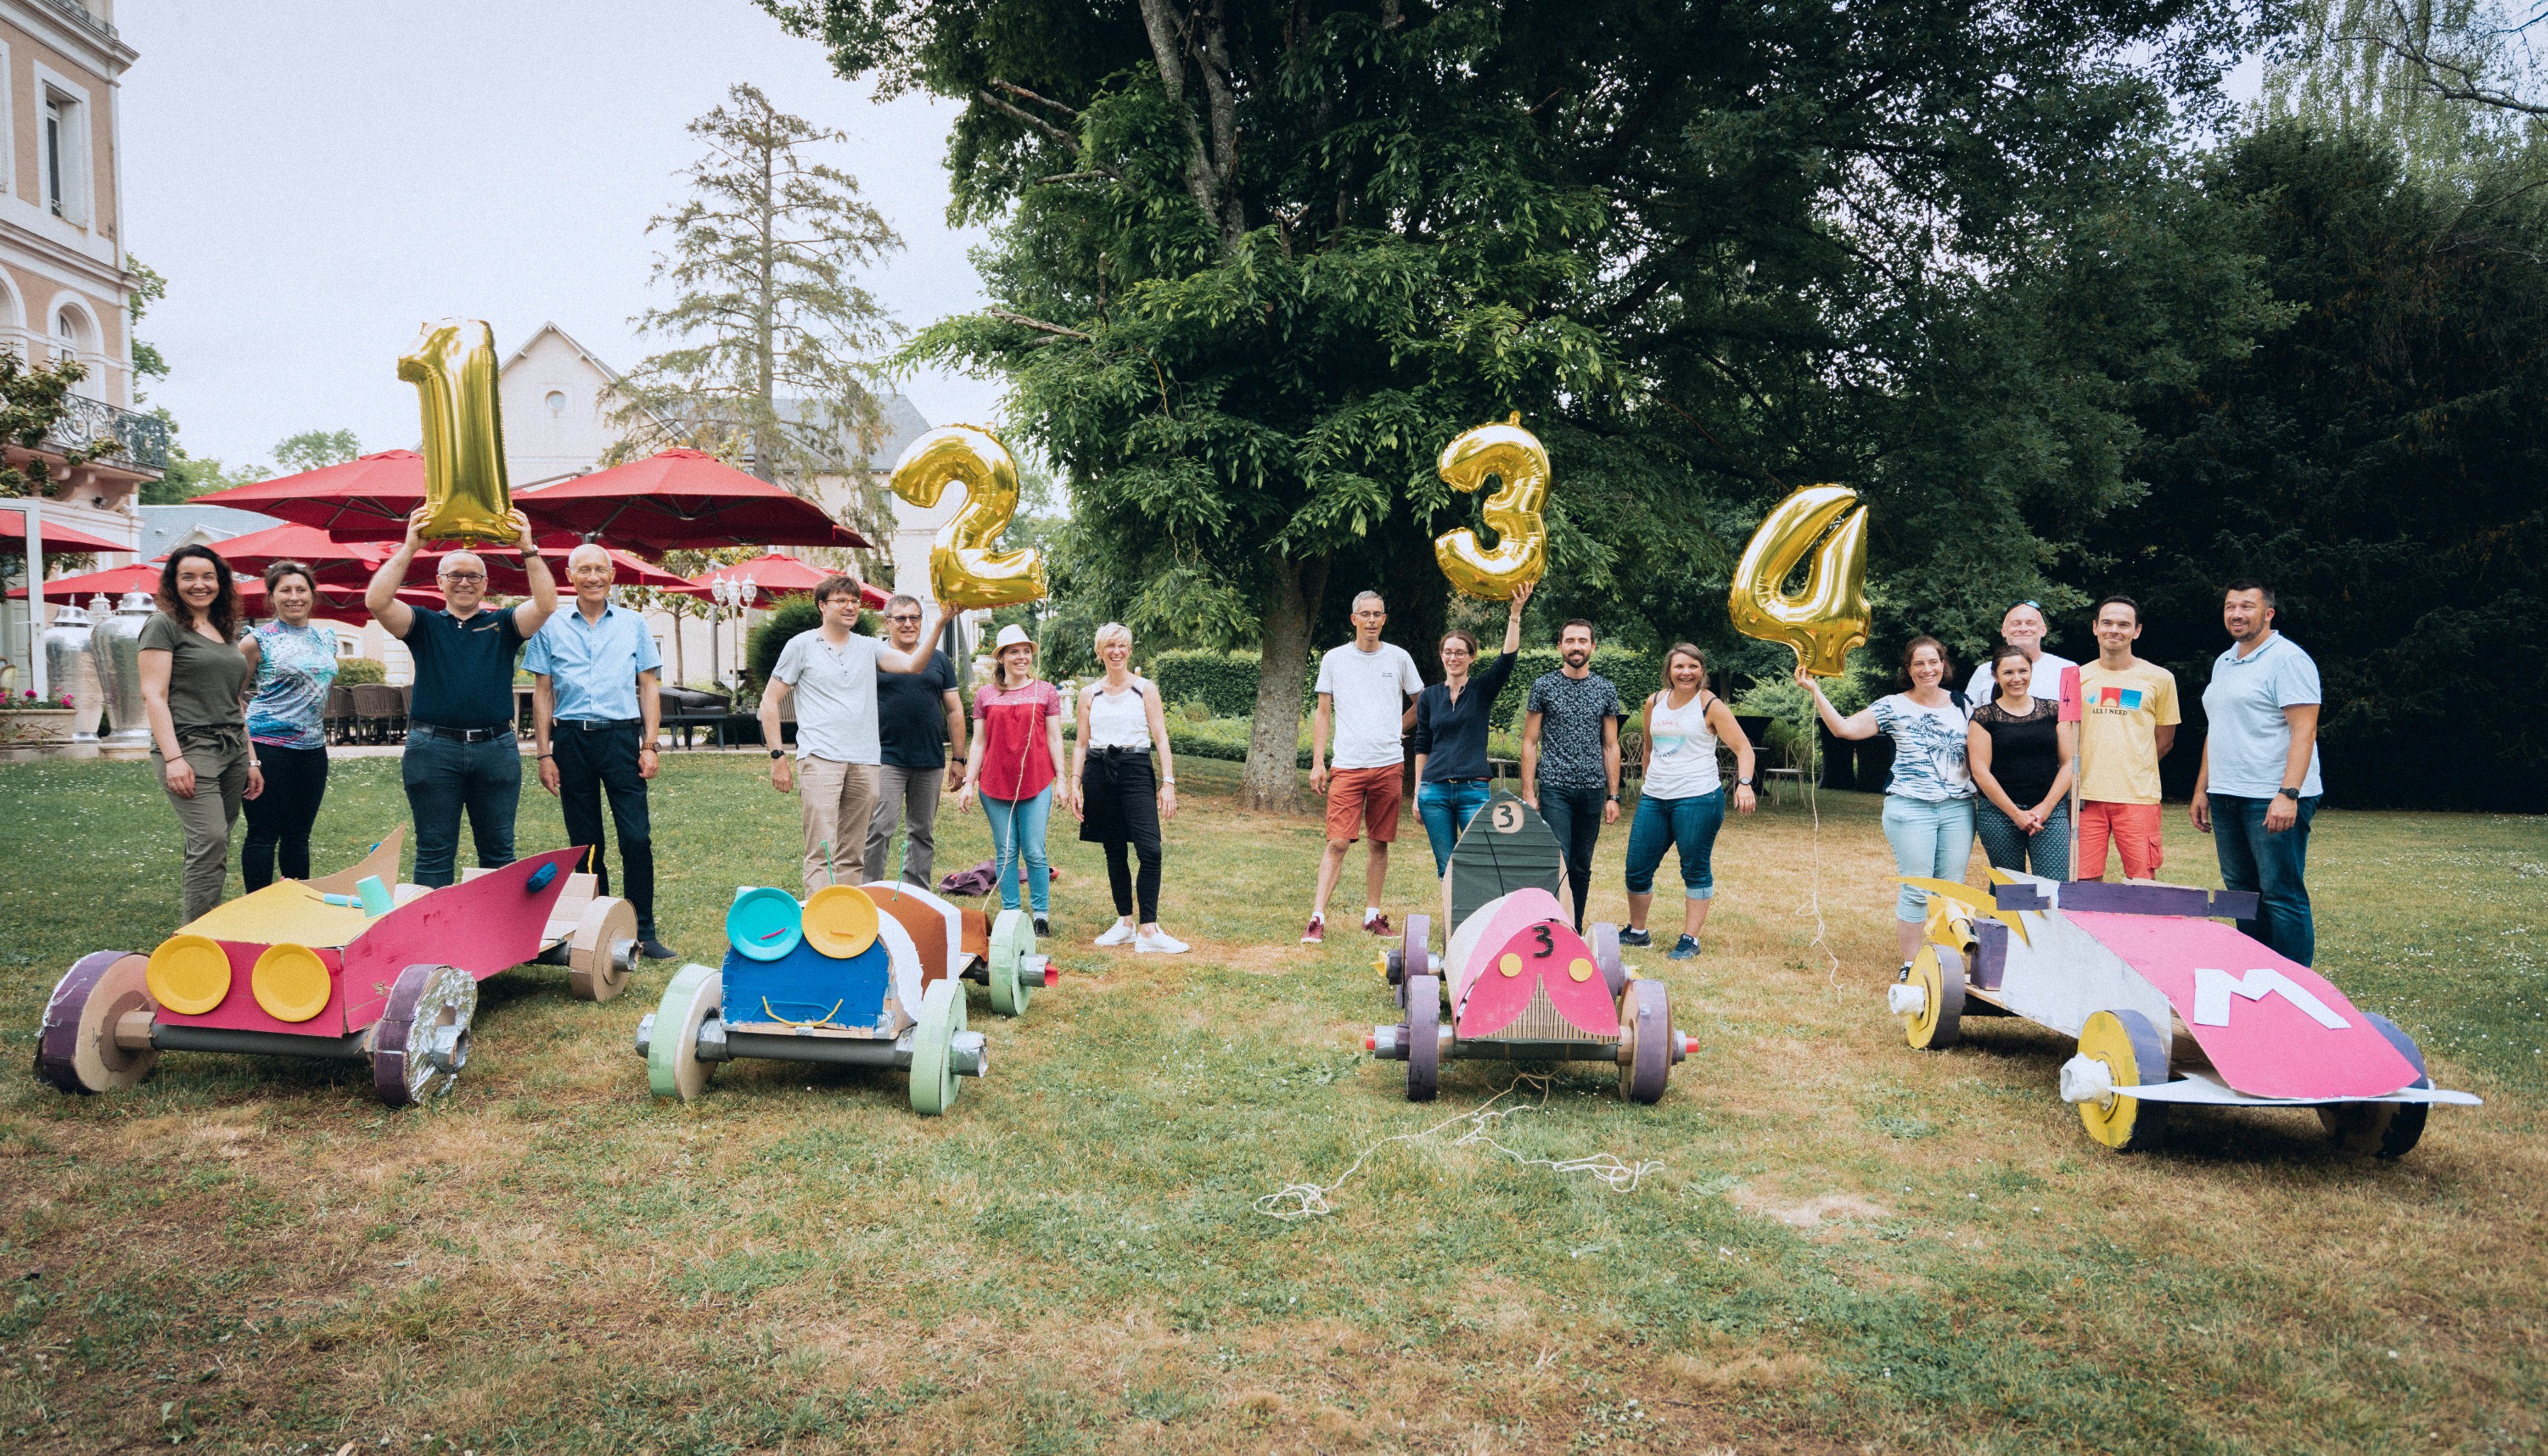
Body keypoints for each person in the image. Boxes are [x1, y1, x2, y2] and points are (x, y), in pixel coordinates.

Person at [366, 504, 558, 888]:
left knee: (499, 852)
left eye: (474, 576)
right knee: (435, 851)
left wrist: (528, 548)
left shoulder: (502, 623)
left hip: (495, 749)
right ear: (440, 582)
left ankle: (496, 943)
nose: (465, 582)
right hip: (432, 750)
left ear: (486, 584)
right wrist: (409, 547)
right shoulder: (423, 624)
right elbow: (377, 601)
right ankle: (433, 942)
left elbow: (546, 604)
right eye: (455, 575)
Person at [525, 544, 676, 960]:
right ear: (569, 576)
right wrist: (544, 754)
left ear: (612, 576)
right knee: (586, 841)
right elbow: (543, 691)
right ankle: (599, 926)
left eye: (600, 569)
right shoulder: (549, 624)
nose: (593, 577)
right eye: (584, 570)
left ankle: (643, 928)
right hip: (572, 740)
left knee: (636, 838)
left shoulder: (633, 624)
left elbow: (648, 685)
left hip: (621, 739)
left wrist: (649, 744)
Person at [759, 575, 942, 900]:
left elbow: (914, 664)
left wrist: (940, 622)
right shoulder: (801, 645)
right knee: (821, 848)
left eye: (855, 601)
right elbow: (769, 701)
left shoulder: (870, 646)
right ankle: (819, 919)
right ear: (822, 606)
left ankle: (844, 920)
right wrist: (778, 757)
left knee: (853, 852)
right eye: (841, 600)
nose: (850, 606)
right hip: (820, 759)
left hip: (866, 761)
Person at [1803, 637, 1976, 975]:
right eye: (1919, 664)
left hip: (1958, 808)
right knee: (1916, 889)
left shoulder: (1963, 703)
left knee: (1951, 891)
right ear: (1908, 670)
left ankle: (1943, 964)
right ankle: (1911, 964)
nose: (1927, 670)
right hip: (1910, 808)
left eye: (1933, 662)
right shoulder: (1894, 705)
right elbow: (1845, 729)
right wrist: (1814, 690)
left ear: (1944, 664)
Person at [2191, 580, 2324, 965]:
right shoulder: (2225, 660)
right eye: (2230, 606)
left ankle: (2296, 987)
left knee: (2281, 893)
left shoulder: (2288, 659)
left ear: (2268, 614)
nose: (2236, 614)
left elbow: (2305, 730)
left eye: (2247, 606)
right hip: (2227, 793)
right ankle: (2258, 973)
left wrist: (2289, 794)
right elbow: (2218, 728)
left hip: (2271, 795)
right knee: (2241, 893)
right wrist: (2203, 789)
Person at [138, 545, 257, 922]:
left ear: (220, 582)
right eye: (187, 577)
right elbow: (153, 695)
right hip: (190, 748)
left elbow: (234, 701)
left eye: (208, 576)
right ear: (174, 583)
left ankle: (209, 925)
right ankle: (194, 939)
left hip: (232, 748)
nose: (199, 585)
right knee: (209, 839)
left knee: (214, 842)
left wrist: (251, 757)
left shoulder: (223, 629)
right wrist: (173, 759)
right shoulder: (164, 625)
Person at [1305, 591, 1425, 944]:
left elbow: (1422, 703)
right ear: (1353, 618)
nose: (1372, 620)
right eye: (1365, 614)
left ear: (1384, 619)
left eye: (1378, 614)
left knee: (1379, 841)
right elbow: (1323, 713)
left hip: (1389, 764)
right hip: (1348, 765)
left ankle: (1372, 916)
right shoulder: (1334, 659)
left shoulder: (1399, 658)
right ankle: (1317, 917)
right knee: (1338, 842)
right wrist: (1317, 763)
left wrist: (1395, 729)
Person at [1622, 643, 1756, 959]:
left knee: (1694, 869)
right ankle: (1638, 932)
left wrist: (1745, 784)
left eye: (1693, 667)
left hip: (1698, 798)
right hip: (1655, 798)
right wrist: (1648, 782)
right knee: (1636, 868)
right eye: (1679, 666)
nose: (1686, 672)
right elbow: (1648, 749)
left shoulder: (1710, 705)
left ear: (1701, 671)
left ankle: (1690, 940)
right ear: (1669, 670)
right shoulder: (1654, 702)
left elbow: (1743, 748)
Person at [1067, 622, 1187, 952]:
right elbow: (1080, 743)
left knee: (1150, 850)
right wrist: (1075, 783)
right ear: (1099, 652)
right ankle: (1125, 924)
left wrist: (1168, 783)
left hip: (1135, 769)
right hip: (1098, 770)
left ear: (1130, 650)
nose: (1116, 651)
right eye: (1110, 646)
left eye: (1122, 645)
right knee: (1114, 849)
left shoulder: (1145, 688)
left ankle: (1149, 930)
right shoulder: (1088, 694)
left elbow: (1161, 738)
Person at [1410, 582, 1533, 877]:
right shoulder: (1429, 696)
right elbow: (1422, 745)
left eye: (1460, 653)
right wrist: (1417, 792)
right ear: (1441, 656)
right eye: (1448, 652)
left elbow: (1506, 661)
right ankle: (1454, 925)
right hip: (1434, 792)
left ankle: (1479, 924)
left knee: (1482, 863)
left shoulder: (1481, 690)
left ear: (1472, 657)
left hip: (1473, 790)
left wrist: (1514, 614)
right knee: (1446, 867)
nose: (1454, 658)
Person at [958, 624, 1064, 936]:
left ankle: (1040, 915)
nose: (1022, 657)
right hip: (994, 783)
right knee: (1005, 851)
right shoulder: (985, 695)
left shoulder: (1045, 691)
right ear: (1001, 658)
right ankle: (1011, 913)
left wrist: (1062, 780)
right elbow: (978, 742)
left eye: (1026, 651)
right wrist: (968, 782)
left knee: (1034, 850)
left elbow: (1055, 737)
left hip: (1036, 780)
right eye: (1014, 652)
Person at [239, 561, 337, 893]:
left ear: (312, 595)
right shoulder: (257, 641)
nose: (294, 597)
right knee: (263, 834)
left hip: (312, 751)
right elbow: (229, 697)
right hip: (267, 748)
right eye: (285, 590)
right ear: (272, 597)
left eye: (301, 590)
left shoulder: (327, 639)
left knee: (299, 836)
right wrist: (250, 756)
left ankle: (294, 912)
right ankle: (258, 912)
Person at [1521, 619, 1624, 932]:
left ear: (1593, 647)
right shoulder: (1544, 686)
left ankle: (1573, 927)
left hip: (1592, 790)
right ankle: (1550, 924)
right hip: (1556, 788)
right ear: (1560, 647)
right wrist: (1528, 791)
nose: (1576, 646)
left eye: (1582, 641)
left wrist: (1613, 795)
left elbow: (1610, 744)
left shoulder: (1605, 689)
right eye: (1569, 641)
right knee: (1558, 859)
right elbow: (1529, 740)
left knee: (1581, 864)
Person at [864, 593, 968, 888]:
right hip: (886, 757)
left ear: (922, 621)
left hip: (929, 759)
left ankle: (915, 894)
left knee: (922, 832)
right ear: (887, 623)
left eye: (914, 618)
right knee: (879, 829)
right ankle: (868, 892)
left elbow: (954, 709)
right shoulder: (875, 657)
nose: (908, 624)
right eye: (901, 618)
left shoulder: (938, 659)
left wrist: (958, 759)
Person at [2075, 596, 2180, 882]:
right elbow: (2066, 737)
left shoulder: (2160, 679)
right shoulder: (2076, 677)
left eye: (2124, 624)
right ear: (2095, 627)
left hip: (2138, 797)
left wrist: (2134, 763)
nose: (2114, 630)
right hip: (2085, 796)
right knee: (2084, 885)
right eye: (2107, 622)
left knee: (2142, 884)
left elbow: (2165, 739)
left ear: (2137, 631)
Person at [1966, 645, 2076, 877]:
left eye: (2023, 671)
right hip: (1999, 813)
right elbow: (1980, 771)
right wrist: (2016, 814)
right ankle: (2006, 917)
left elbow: (2069, 763)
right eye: (2008, 673)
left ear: (2031, 672)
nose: (2017, 678)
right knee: (2008, 887)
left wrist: (2045, 808)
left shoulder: (2054, 711)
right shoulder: (1984, 718)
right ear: (1995, 676)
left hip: (2049, 812)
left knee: (2053, 885)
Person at [1962, 600, 2078, 710]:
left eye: (2030, 623)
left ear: (2043, 630)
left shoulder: (2067, 669)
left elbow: (2077, 721)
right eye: (2015, 624)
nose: (2023, 629)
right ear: (2004, 631)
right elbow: (1969, 720)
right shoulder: (1984, 671)